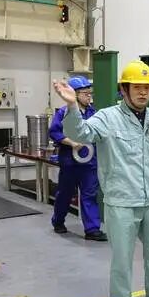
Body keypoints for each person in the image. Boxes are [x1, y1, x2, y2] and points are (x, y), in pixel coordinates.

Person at [54, 61, 149, 297]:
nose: (143, 93)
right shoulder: (107, 117)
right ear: (124, 90)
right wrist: (72, 106)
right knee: (122, 261)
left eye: (147, 88)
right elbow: (79, 133)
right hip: (122, 201)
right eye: (137, 87)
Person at [49, 75, 105, 241]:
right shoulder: (63, 113)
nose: (89, 96)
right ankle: (58, 221)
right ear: (75, 94)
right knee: (65, 194)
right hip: (69, 161)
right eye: (85, 93)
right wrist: (73, 143)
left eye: (90, 93)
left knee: (89, 194)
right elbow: (54, 132)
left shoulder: (93, 113)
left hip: (89, 162)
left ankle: (92, 229)